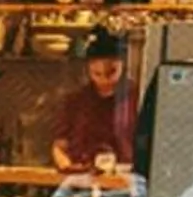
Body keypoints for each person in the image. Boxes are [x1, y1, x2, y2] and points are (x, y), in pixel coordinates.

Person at [51, 28, 137, 174]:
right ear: (88, 70)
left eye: (111, 72)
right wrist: (67, 167)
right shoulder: (76, 101)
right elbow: (60, 145)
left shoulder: (137, 99)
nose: (104, 79)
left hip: (123, 180)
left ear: (123, 66)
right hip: (82, 179)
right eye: (97, 74)